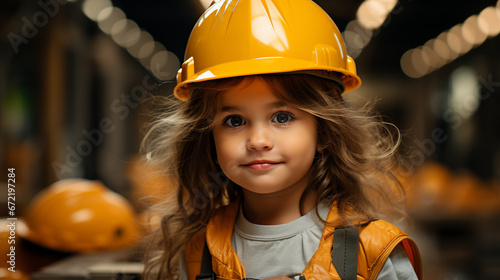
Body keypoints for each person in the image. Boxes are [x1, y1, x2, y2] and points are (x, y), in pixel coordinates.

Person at [142, 0, 422, 280]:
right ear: (207, 138)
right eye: (234, 121)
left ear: (324, 131)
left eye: (282, 117)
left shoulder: (370, 251)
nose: (258, 140)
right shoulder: (194, 249)